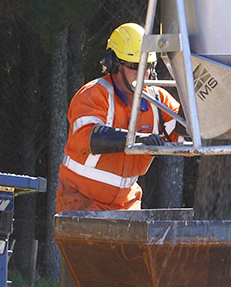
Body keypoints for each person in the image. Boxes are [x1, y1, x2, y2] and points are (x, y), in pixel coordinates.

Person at [55, 22, 182, 212]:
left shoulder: (158, 100)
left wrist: (197, 103)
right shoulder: (94, 94)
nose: (142, 73)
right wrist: (138, 139)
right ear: (113, 64)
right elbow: (86, 137)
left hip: (125, 205)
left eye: (147, 66)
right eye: (134, 66)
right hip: (80, 201)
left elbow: (185, 138)